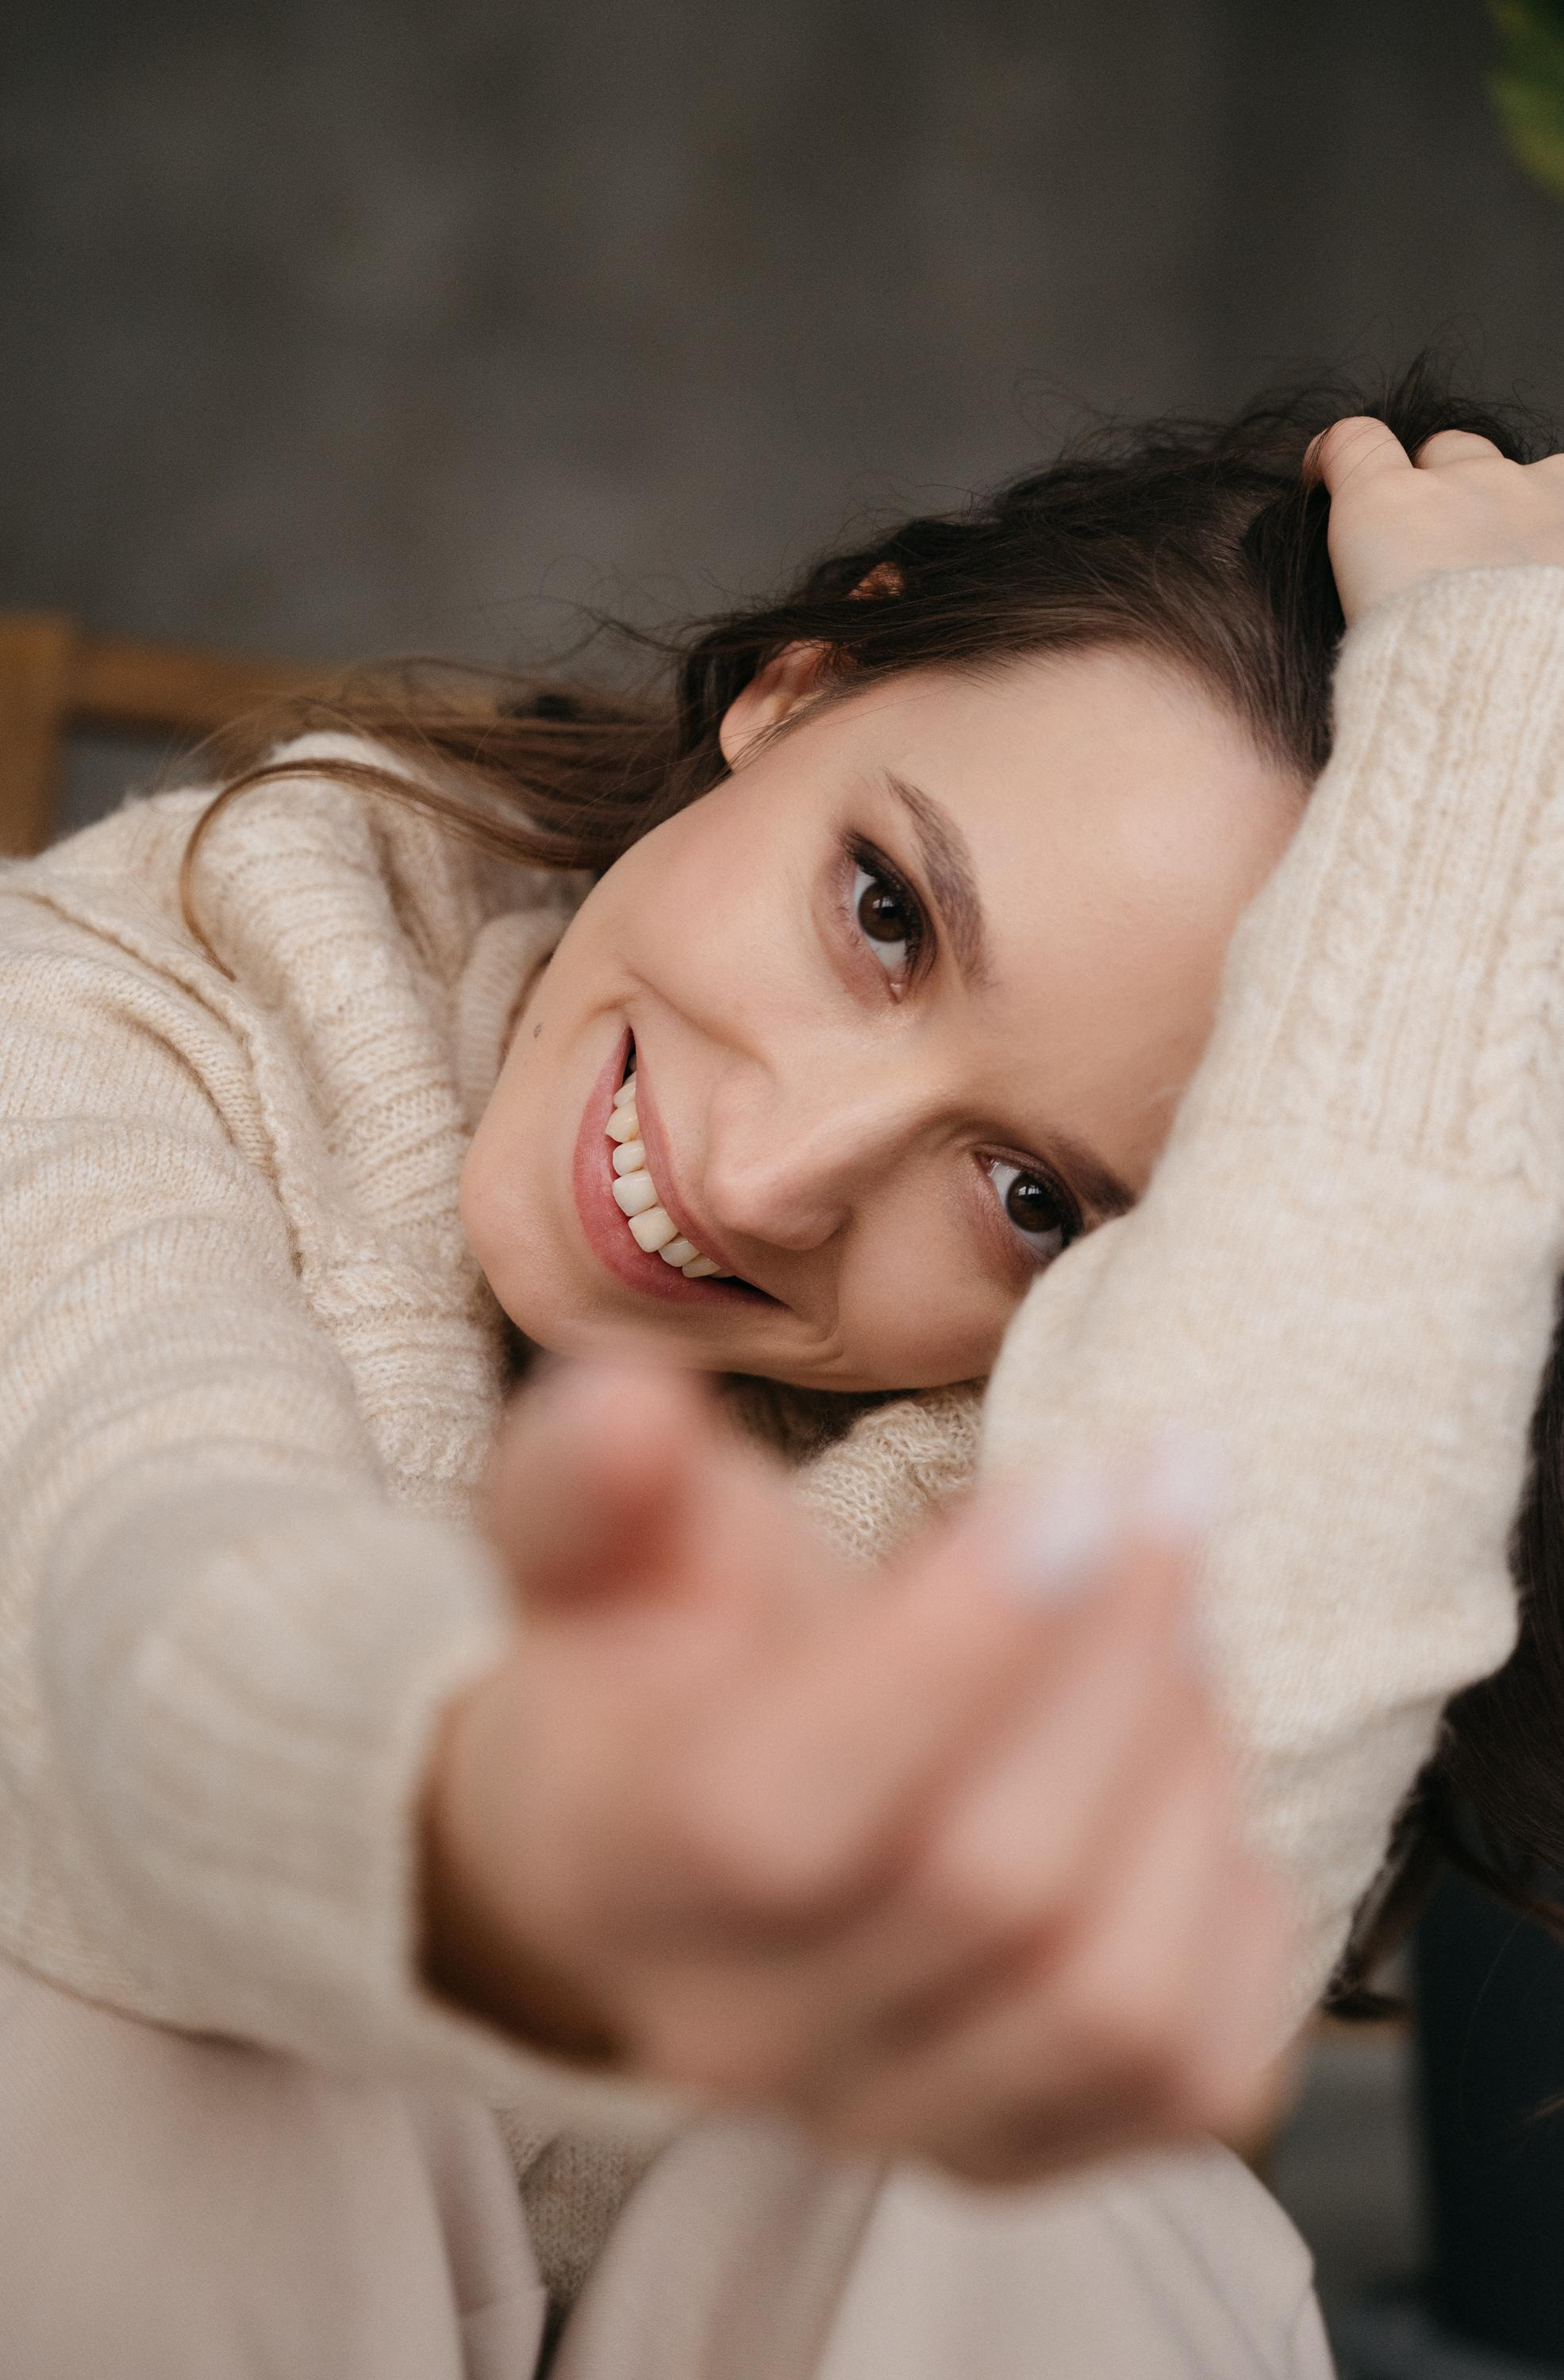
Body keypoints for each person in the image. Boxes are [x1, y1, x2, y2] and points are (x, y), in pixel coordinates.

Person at [2, 362, 1564, 2378]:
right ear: (800, 687)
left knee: (1077, 2192)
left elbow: (1154, 1885)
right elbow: (116, 1588)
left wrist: (1478, 805)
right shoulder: (118, 1001)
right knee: (147, 2033)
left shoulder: (1081, 1426)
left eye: (1028, 1196)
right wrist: (507, 1818)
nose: (757, 1177)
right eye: (884, 913)